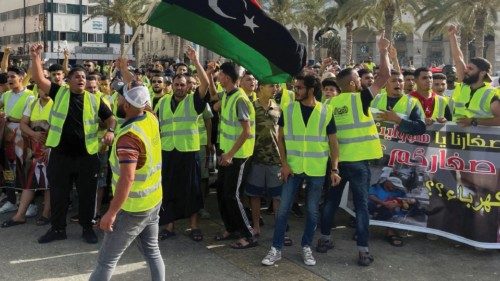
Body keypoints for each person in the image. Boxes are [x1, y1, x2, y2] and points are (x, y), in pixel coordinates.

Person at [30, 43, 115, 244]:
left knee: (87, 195)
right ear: (68, 80)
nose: (81, 79)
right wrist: (35, 57)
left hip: (87, 156)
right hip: (61, 155)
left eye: (84, 77)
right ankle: (58, 229)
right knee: (59, 194)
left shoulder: (95, 100)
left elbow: (111, 119)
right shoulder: (59, 93)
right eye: (77, 77)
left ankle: (88, 228)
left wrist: (110, 131)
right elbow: (39, 79)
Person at [318, 32, 390, 266]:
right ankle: (363, 251)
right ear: (352, 84)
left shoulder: (329, 104)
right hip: (359, 164)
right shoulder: (360, 99)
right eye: (358, 79)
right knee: (361, 207)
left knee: (330, 203)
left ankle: (325, 240)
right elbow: (385, 76)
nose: (362, 81)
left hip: (337, 163)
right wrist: (383, 51)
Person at [261, 74, 340, 267]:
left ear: (311, 90)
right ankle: (276, 249)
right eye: (295, 87)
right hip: (293, 168)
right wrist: (284, 164)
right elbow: (279, 139)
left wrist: (335, 168)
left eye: (300, 88)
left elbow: (333, 143)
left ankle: (306, 246)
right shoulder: (288, 110)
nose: (296, 91)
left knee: (312, 212)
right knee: (282, 210)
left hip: (317, 169)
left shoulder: (325, 111)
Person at [89, 84, 165, 281]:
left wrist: (111, 213)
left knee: (106, 261)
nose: (119, 100)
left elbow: (128, 178)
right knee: (152, 250)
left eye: (122, 99)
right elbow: (140, 96)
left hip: (132, 207)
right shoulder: (150, 118)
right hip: (153, 200)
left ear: (128, 106)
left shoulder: (128, 138)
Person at [154, 46, 210, 241]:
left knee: (192, 190)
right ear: (172, 85)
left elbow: (205, 83)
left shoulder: (193, 101)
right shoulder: (161, 102)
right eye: (176, 84)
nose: (179, 87)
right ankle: (169, 226)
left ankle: (194, 227)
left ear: (188, 87)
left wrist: (195, 61)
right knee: (169, 189)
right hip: (168, 151)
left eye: (182, 84)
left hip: (188, 151)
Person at [211, 62, 256, 249]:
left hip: (238, 155)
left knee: (233, 195)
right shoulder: (229, 96)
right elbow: (214, 104)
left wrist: (229, 154)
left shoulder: (240, 99)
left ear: (227, 78)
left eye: (219, 75)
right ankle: (231, 228)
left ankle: (249, 234)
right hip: (227, 153)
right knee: (222, 192)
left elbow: (246, 132)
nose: (218, 77)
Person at [1, 91, 53, 227]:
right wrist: (34, 134)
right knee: (29, 180)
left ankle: (46, 214)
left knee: (49, 182)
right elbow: (23, 124)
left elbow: (59, 128)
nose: (45, 91)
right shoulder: (33, 102)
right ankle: (20, 215)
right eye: (41, 88)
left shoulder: (57, 103)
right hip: (33, 148)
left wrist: (51, 147)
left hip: (50, 148)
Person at [245, 83, 284, 237]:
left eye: (276, 86)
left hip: (275, 159)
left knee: (277, 197)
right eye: (271, 86)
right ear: (260, 87)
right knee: (254, 195)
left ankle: (279, 230)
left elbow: (282, 134)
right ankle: (256, 227)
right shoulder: (251, 107)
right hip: (256, 158)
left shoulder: (278, 108)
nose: (275, 89)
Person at [448, 25, 500, 126]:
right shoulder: (464, 84)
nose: (465, 70)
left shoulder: (491, 94)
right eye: (467, 67)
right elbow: (458, 59)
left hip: (479, 140)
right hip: (456, 138)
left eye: (470, 69)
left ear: (482, 73)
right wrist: (452, 36)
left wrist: (473, 121)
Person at [0, 66, 35, 214]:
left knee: (24, 168)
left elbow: (29, 119)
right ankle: (11, 200)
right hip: (6, 136)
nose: (9, 79)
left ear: (22, 78)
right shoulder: (6, 95)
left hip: (22, 137)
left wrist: (10, 118)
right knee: (7, 168)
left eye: (12, 76)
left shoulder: (30, 96)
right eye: (8, 77)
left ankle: (30, 204)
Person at [370, 70, 426, 135]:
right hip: (377, 144)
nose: (398, 83)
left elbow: (421, 128)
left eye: (400, 81)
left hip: (401, 144)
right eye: (393, 81)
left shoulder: (412, 102)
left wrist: (398, 120)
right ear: (386, 84)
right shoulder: (375, 99)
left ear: (404, 83)